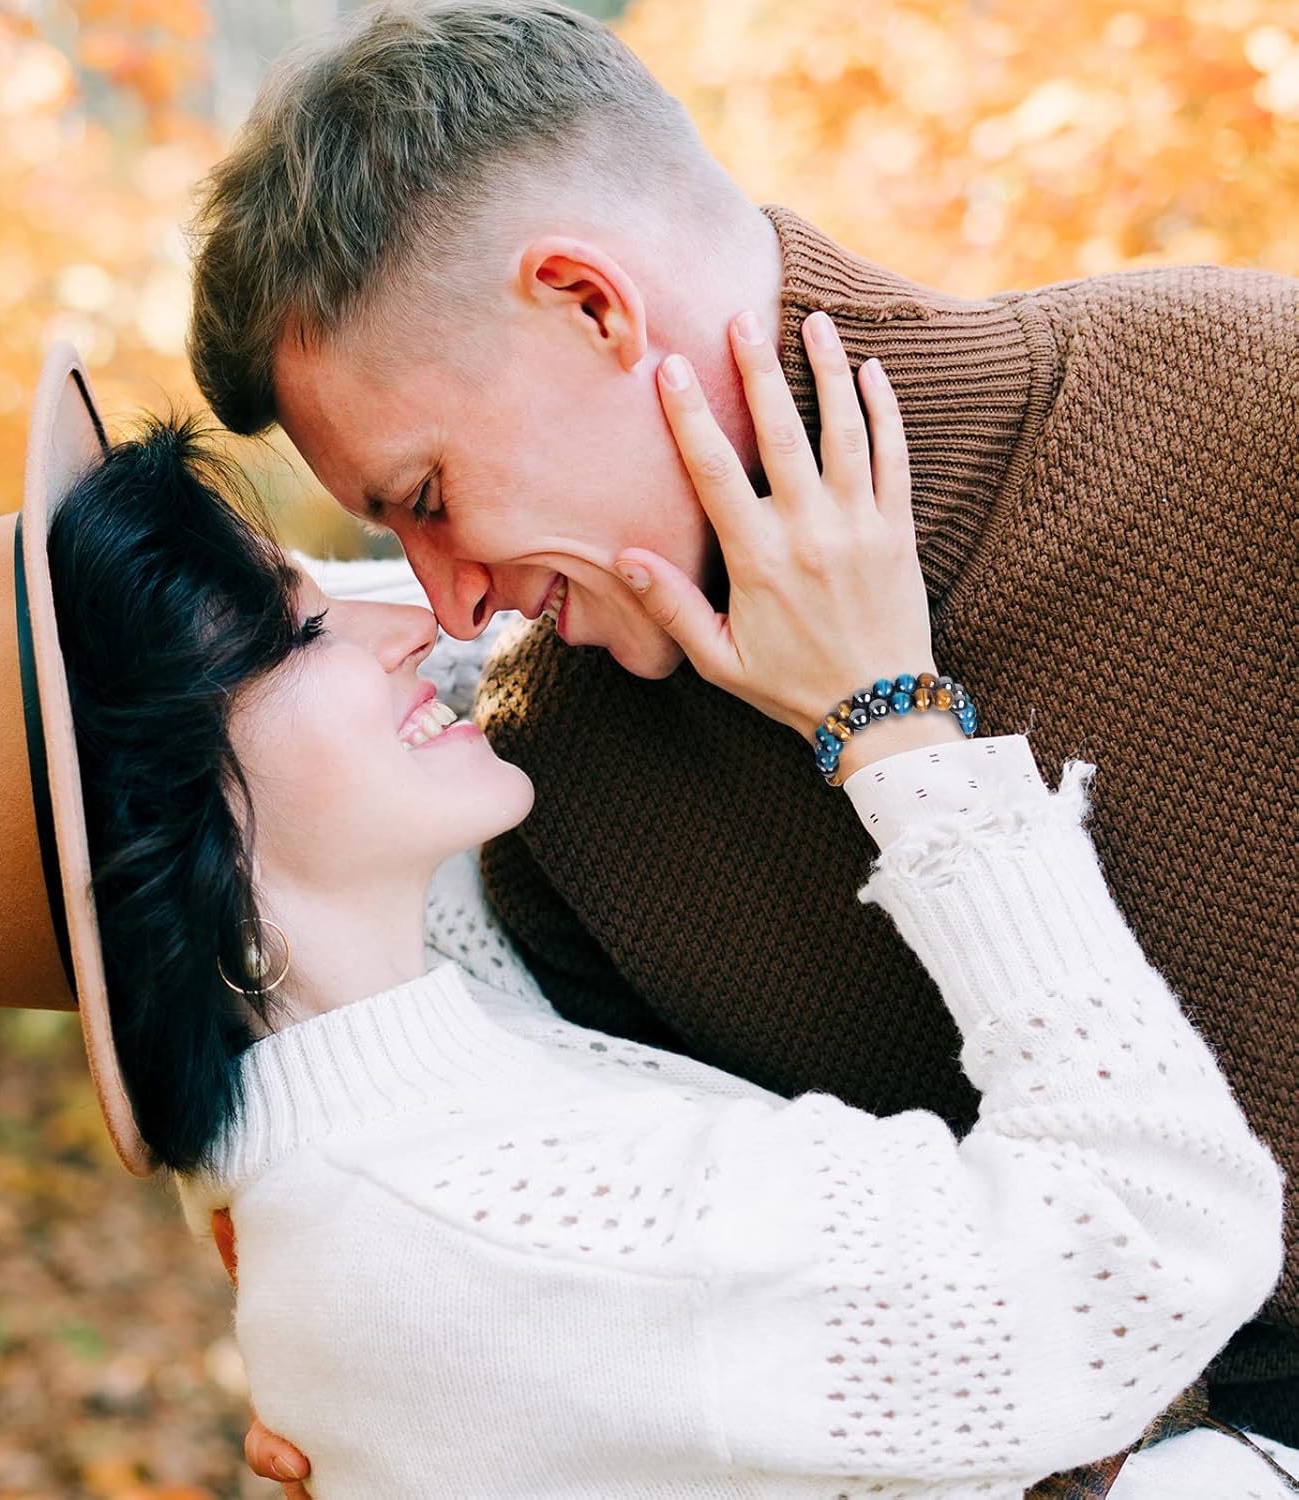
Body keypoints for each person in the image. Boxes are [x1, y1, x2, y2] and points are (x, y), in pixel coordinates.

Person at [185, 0, 1299, 1457]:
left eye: (432, 498)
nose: (451, 605)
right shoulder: (559, 801)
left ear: (592, 305)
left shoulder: (1249, 416)